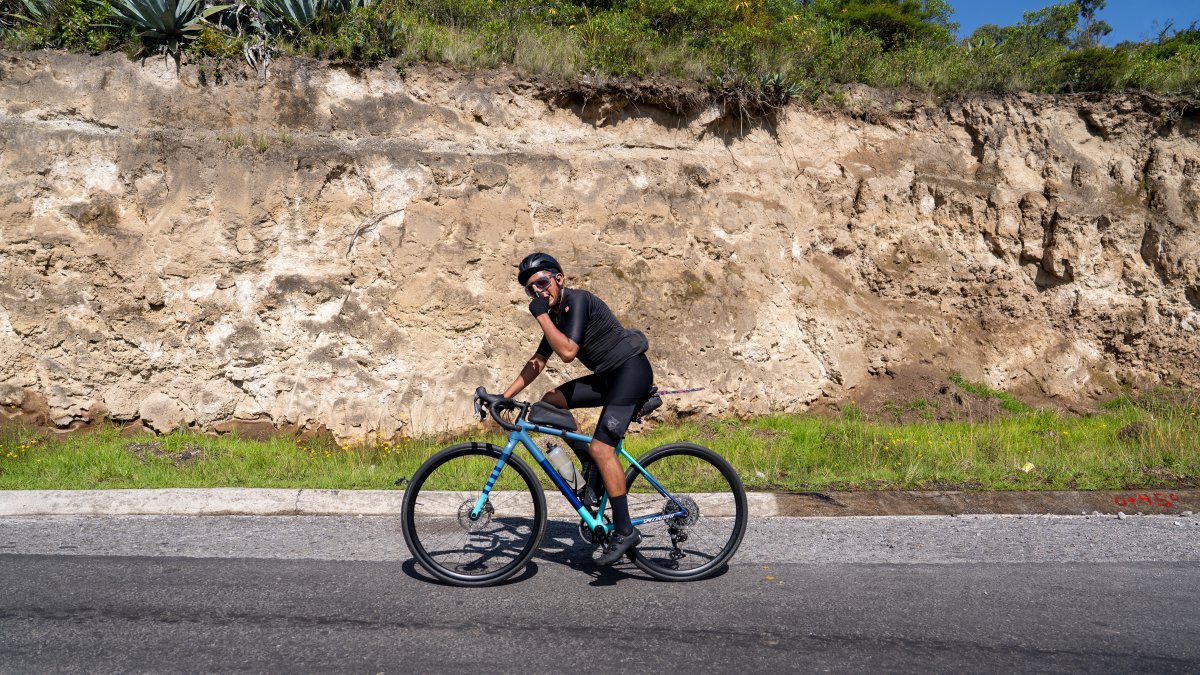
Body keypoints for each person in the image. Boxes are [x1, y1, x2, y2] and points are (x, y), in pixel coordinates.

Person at [500, 252, 653, 566]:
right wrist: (503, 396)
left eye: (542, 282)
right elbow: (538, 362)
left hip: (630, 371)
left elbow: (568, 351)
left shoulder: (578, 301)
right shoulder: (555, 316)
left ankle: (624, 530)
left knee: (602, 449)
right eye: (531, 289)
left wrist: (540, 316)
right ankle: (589, 469)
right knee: (549, 401)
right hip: (608, 378)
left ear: (560, 279)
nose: (538, 291)